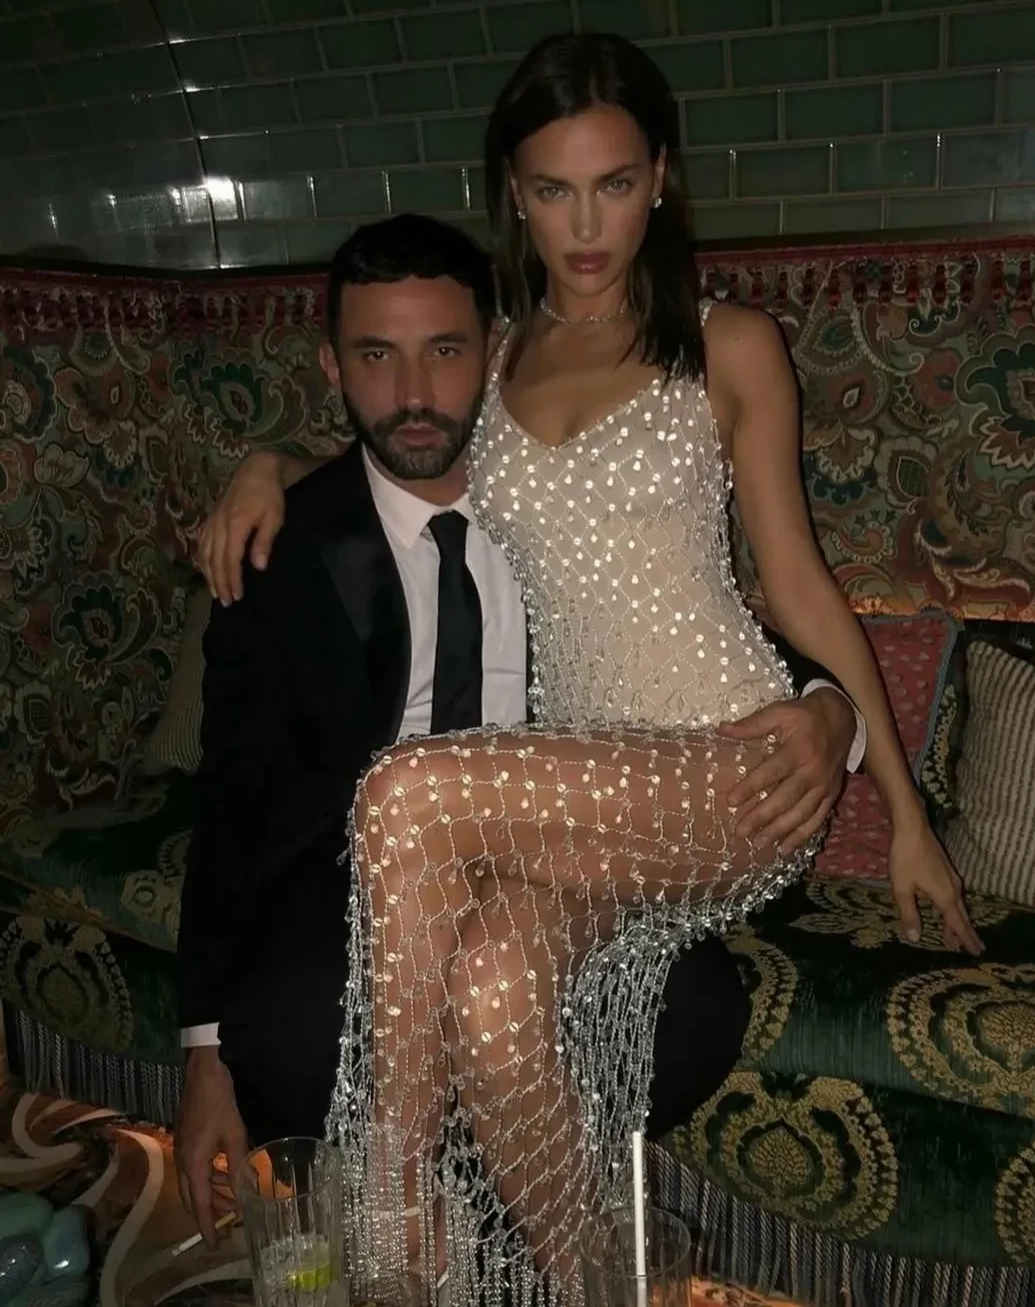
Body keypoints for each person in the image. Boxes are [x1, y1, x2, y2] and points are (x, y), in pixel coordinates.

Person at [200, 32, 982, 1305]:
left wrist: (900, 809)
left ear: (661, 178)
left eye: (614, 184)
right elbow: (399, 444)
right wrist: (269, 466)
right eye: (553, 189)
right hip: (581, 798)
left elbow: (797, 584)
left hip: (731, 765)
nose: (585, 224)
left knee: (404, 793)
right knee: (494, 989)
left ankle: (393, 1206)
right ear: (512, 193)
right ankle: (596, 1280)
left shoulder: (728, 344)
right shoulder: (499, 355)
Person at [175, 213, 863, 1255]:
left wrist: (829, 707)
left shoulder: (547, 496)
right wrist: (202, 1050)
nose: (414, 393)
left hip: (569, 854)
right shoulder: (281, 546)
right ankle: (477, 1234)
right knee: (280, 1028)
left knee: (692, 1011)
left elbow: (693, 620)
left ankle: (436, 1229)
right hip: (356, 881)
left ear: (494, 350)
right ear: (333, 367)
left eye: (446, 351)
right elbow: (230, 798)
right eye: (377, 356)